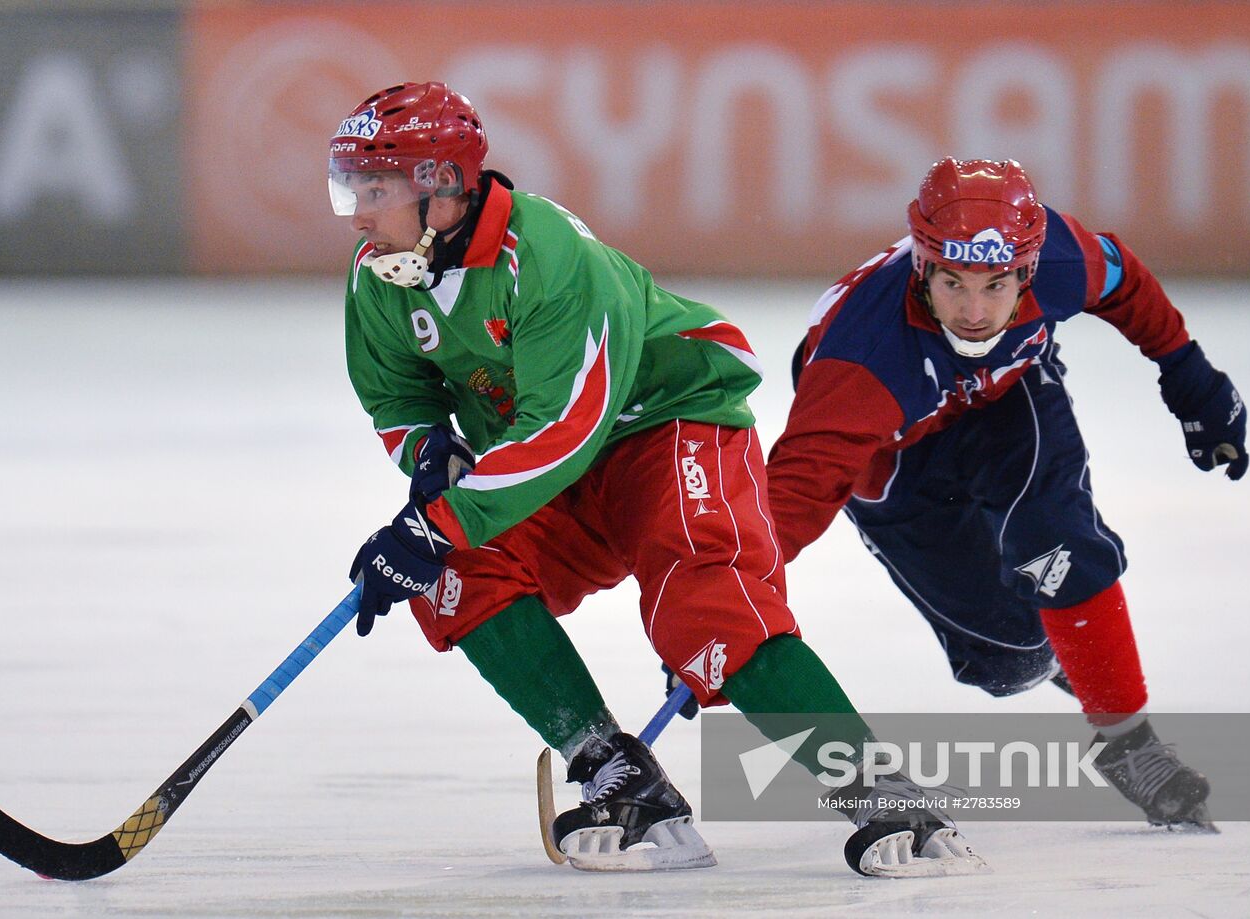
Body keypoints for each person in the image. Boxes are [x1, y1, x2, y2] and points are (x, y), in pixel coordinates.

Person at [328, 82, 987, 877]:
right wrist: (433, 457)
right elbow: (395, 394)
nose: (359, 214)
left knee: (706, 605)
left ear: (439, 186)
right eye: (354, 187)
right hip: (553, 460)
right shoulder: (379, 279)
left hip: (667, 422)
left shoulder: (546, 257)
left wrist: (437, 519)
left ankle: (881, 790)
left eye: (376, 189)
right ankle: (619, 771)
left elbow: (564, 427)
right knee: (454, 575)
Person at [766, 157, 1244, 829]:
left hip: (1004, 399)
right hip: (892, 457)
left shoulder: (1058, 258)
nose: (974, 311)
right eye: (953, 283)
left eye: (996, 286)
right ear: (921, 269)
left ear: (1027, 271)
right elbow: (785, 506)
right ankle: (1066, 653)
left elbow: (1123, 281)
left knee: (1058, 544)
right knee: (1008, 659)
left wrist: (1189, 377)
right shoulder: (860, 366)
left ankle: (1129, 741)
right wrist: (724, 607)